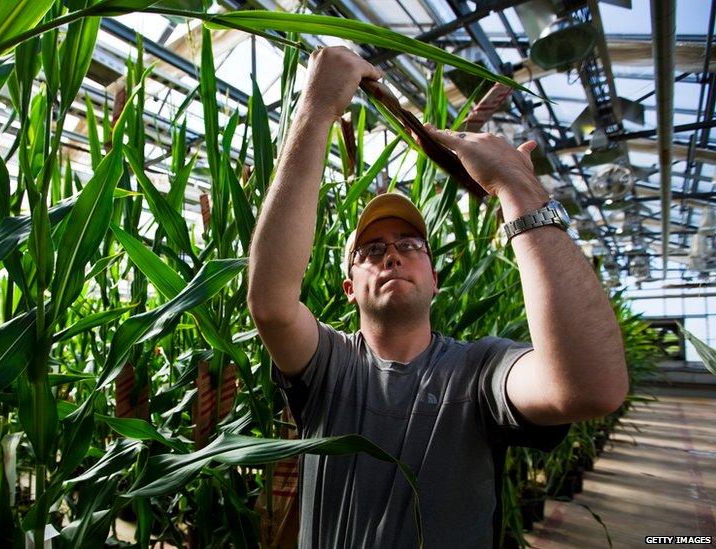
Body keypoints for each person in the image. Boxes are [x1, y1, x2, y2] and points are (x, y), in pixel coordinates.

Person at [246, 46, 629, 548]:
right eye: (371, 249)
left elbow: (592, 386)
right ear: (348, 288)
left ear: (435, 280)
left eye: (409, 245)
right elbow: (271, 304)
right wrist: (315, 109)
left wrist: (517, 187)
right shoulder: (328, 365)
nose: (392, 255)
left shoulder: (481, 371)